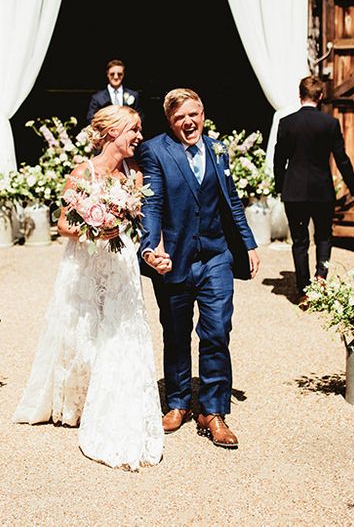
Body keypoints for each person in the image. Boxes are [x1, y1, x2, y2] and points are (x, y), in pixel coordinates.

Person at [13, 105, 164, 470]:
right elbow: (63, 224)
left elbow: (144, 222)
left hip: (120, 260)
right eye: (134, 130)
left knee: (119, 328)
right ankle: (76, 403)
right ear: (112, 132)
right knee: (81, 329)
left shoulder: (135, 174)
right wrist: (94, 228)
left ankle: (113, 397)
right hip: (85, 261)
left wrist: (148, 245)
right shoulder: (82, 173)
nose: (139, 137)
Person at [137, 88, 259, 450]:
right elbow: (152, 202)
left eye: (193, 114)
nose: (188, 122)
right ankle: (177, 403)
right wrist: (150, 245)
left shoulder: (218, 148)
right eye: (179, 118)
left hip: (216, 255)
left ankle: (213, 410)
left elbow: (231, 198)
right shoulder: (156, 150)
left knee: (218, 328)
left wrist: (249, 242)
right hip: (174, 257)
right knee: (175, 333)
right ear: (170, 122)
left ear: (203, 113)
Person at [273, 76, 354, 306]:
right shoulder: (329, 123)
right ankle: (320, 281)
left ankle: (304, 290)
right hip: (321, 191)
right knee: (324, 237)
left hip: (294, 191)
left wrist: (281, 187)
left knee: (299, 241)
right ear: (321, 96)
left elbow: (278, 161)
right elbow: (342, 160)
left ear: (299, 95)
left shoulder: (286, 122)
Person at [86, 59, 142, 124]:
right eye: (112, 74)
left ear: (123, 75)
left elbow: (140, 117)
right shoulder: (97, 98)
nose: (116, 77)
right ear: (107, 74)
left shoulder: (133, 95)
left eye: (119, 74)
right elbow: (91, 118)